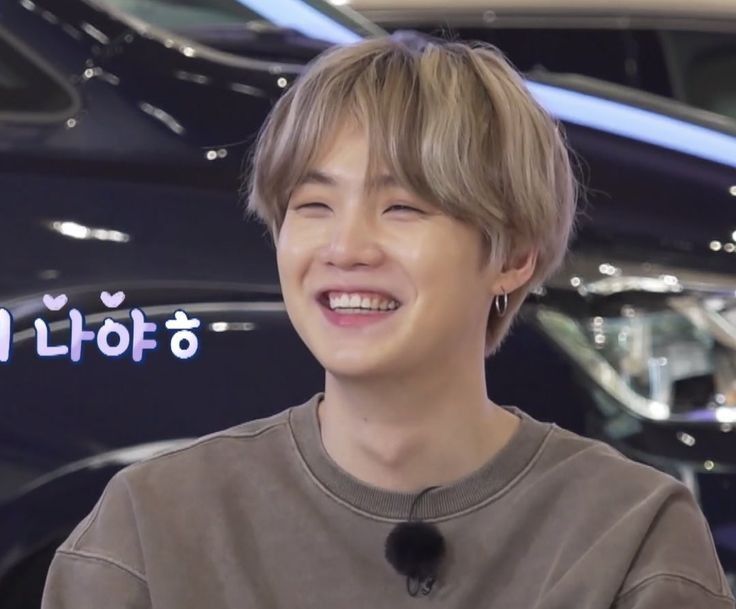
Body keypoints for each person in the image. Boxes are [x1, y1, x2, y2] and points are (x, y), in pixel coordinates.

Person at [41, 32, 735, 608]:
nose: (346, 249)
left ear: (515, 254)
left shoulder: (630, 537)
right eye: (313, 206)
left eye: (402, 206)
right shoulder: (151, 527)